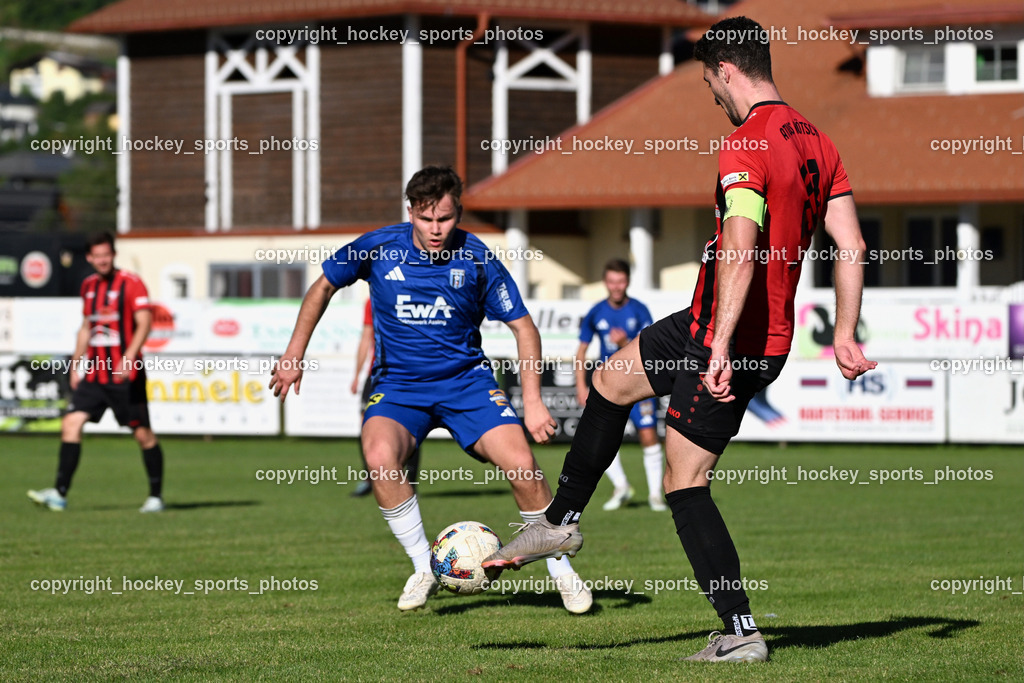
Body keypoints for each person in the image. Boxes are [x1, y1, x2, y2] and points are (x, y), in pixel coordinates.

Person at [484, 16, 877, 662]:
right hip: (707, 322)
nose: (714, 99)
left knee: (685, 480)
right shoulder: (818, 140)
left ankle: (740, 628)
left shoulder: (747, 143)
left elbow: (743, 249)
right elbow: (853, 245)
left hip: (729, 336)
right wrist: (842, 333)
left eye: (709, 86)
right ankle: (559, 523)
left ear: (727, 70)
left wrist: (719, 347)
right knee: (612, 378)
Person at [270, 165, 593, 613]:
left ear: (458, 211)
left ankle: (561, 571)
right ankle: (425, 566)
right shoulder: (379, 247)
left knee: (522, 464)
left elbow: (524, 327)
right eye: (426, 219)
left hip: (467, 385)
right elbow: (323, 285)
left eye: (445, 218)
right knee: (380, 457)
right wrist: (293, 354)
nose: (436, 229)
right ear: (411, 213)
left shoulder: (477, 257)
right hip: (400, 388)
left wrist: (533, 402)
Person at [28, 231, 165, 513]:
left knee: (143, 435)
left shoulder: (131, 283)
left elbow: (145, 323)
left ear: (113, 255)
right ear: (89, 257)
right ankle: (59, 494)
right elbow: (87, 328)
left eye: (107, 255)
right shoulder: (88, 285)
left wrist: (129, 357)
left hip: (125, 376)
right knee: (71, 423)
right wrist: (77, 363)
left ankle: (155, 497)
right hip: (96, 375)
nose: (102, 261)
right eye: (97, 256)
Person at [576, 258, 665, 511]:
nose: (616, 286)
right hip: (608, 387)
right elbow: (581, 351)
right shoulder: (596, 311)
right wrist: (581, 387)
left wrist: (626, 341)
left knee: (648, 435)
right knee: (600, 438)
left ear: (627, 282)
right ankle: (622, 485)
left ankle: (656, 495)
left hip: (639, 384)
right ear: (606, 282)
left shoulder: (639, 310)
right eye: (612, 281)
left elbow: (651, 348)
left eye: (621, 281)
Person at [349, 299, 420, 497]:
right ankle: (370, 478)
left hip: (407, 373)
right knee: (366, 422)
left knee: (412, 426)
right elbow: (366, 337)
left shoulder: (412, 296)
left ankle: (410, 480)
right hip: (377, 374)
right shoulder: (372, 302)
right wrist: (356, 374)